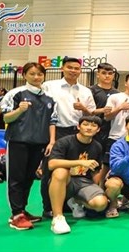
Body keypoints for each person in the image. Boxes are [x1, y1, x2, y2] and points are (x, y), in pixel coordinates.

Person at [1, 62, 57, 230]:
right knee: (16, 178)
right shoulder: (15, 94)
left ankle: (22, 210)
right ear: (25, 75)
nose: (36, 77)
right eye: (32, 73)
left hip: (39, 142)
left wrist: (52, 141)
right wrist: (19, 110)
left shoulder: (49, 98)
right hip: (19, 141)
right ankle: (16, 214)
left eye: (39, 74)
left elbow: (52, 121)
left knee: (28, 178)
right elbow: (6, 118)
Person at [41, 57, 96, 217]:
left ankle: (68, 204)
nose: (73, 71)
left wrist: (83, 108)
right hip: (55, 131)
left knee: (75, 170)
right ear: (62, 68)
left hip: (77, 133)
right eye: (70, 67)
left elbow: (91, 114)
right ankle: (49, 208)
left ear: (80, 71)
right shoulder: (49, 86)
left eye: (76, 68)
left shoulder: (85, 91)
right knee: (50, 170)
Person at [47, 116, 108, 234]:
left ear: (98, 130)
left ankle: (76, 201)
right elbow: (51, 164)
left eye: (93, 126)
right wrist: (80, 162)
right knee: (60, 171)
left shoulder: (97, 146)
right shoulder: (64, 142)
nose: (89, 128)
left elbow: (95, 172)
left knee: (101, 203)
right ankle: (58, 218)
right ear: (79, 126)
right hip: (64, 182)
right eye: (86, 124)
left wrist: (100, 190)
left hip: (84, 182)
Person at [89, 63, 119, 174]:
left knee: (107, 162)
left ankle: (102, 187)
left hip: (111, 131)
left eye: (110, 73)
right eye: (104, 73)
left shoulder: (117, 93)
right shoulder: (91, 90)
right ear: (98, 74)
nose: (107, 76)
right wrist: (101, 110)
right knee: (92, 160)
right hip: (93, 131)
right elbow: (86, 111)